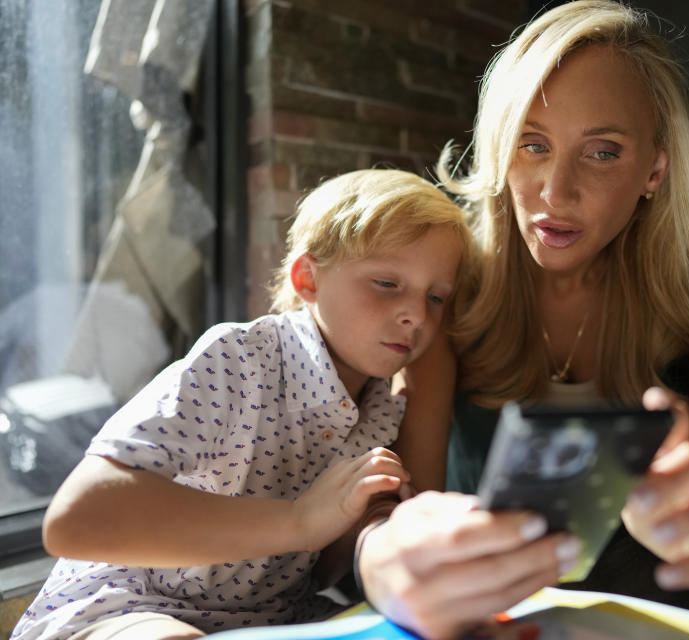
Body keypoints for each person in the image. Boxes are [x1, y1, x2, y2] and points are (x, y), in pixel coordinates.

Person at [357, 2, 689, 638]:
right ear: (502, 149)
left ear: (654, 171)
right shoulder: (451, 276)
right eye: (533, 144)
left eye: (603, 152)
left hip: (635, 603)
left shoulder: (688, 279)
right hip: (486, 601)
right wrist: (384, 557)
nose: (556, 191)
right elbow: (410, 501)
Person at [11, 169, 471, 640]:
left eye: (436, 297)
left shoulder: (381, 410)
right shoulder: (238, 359)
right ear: (308, 279)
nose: (416, 314)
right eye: (387, 283)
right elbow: (76, 519)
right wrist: (298, 521)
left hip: (272, 619)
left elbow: (324, 569)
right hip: (129, 604)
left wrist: (360, 522)